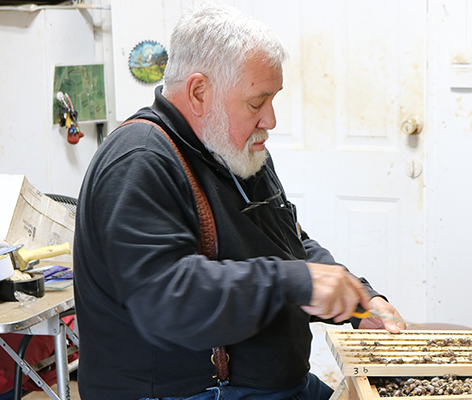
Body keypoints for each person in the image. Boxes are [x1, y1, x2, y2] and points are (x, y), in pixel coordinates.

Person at [73, 3, 404, 400]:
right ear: (199, 92)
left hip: (280, 385)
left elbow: (289, 243)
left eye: (272, 99)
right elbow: (169, 298)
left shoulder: (234, 148)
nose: (271, 119)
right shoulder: (140, 161)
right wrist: (298, 282)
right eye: (256, 102)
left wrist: (361, 299)